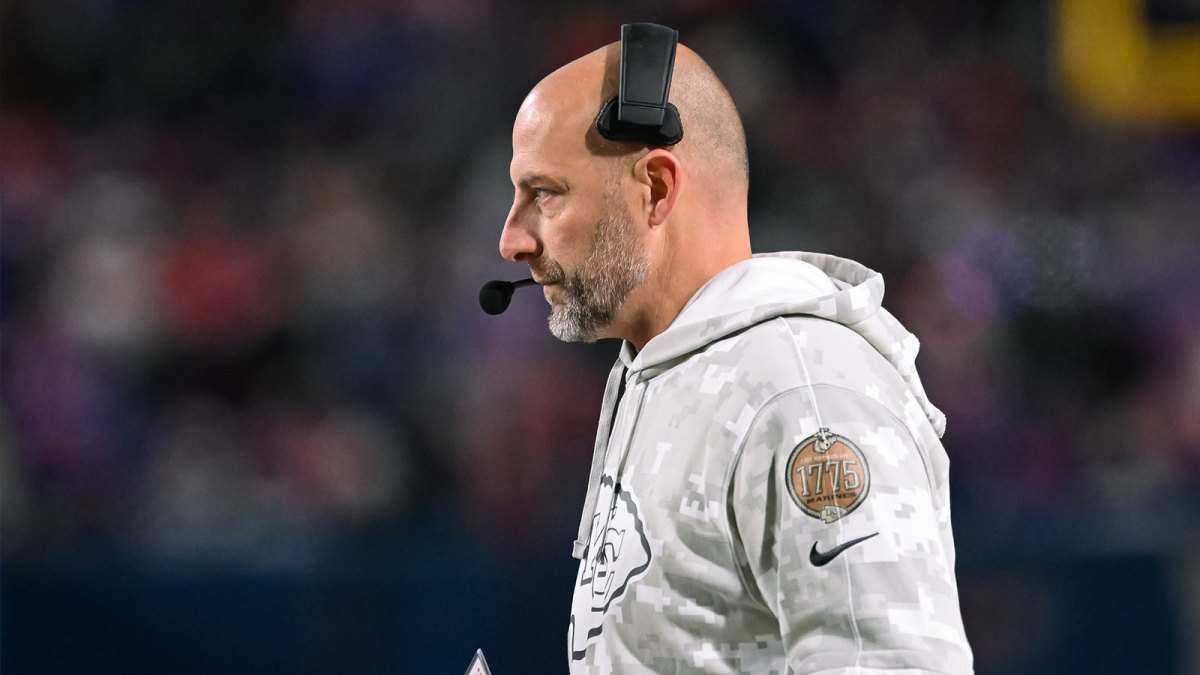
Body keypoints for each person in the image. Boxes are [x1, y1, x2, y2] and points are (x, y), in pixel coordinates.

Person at [495, 26, 974, 675]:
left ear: (657, 189)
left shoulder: (797, 387)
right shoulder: (663, 372)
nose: (512, 240)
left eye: (545, 194)